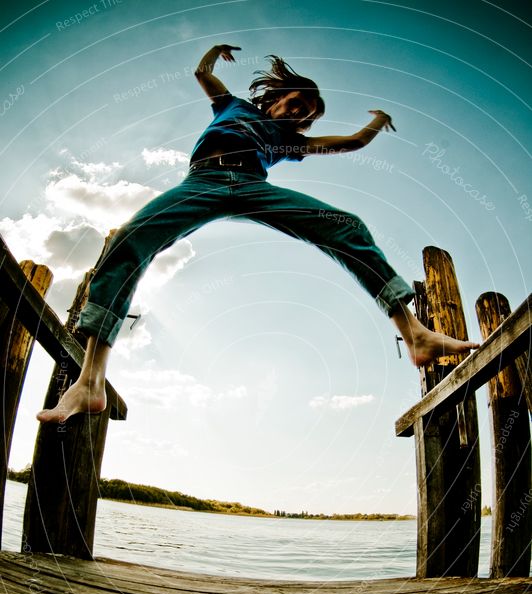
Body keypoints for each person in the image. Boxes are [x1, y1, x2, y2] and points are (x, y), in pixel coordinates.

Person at [37, 45, 478, 424]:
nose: (297, 116)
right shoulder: (232, 107)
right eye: (295, 106)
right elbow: (201, 74)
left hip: (253, 189)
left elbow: (349, 144)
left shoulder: (287, 142)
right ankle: (90, 381)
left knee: (349, 226)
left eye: (304, 116)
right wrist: (214, 53)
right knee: (128, 240)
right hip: (201, 183)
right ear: (278, 97)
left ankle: (415, 332)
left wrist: (377, 123)